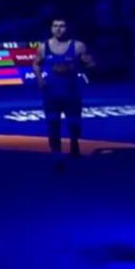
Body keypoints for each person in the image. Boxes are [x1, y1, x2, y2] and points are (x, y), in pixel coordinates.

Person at [32, 17, 93, 169]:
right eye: (55, 26)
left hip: (72, 92)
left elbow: (90, 64)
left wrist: (87, 65)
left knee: (74, 124)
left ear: (68, 28)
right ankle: (57, 155)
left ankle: (74, 144)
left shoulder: (78, 46)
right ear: (51, 28)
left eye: (62, 26)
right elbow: (36, 64)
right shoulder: (43, 47)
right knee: (53, 123)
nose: (58, 29)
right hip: (51, 93)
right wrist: (40, 79)